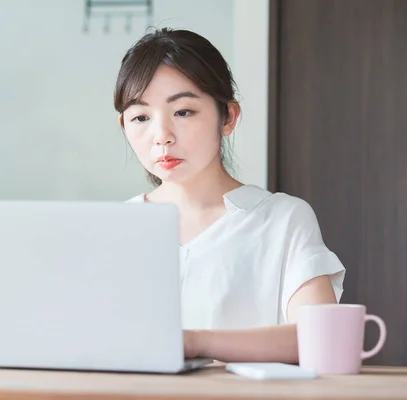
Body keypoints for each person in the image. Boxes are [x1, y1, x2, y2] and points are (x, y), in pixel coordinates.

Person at [114, 28, 346, 363]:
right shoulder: (115, 227)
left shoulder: (283, 219)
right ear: (124, 126)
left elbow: (322, 339)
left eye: (183, 112)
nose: (161, 136)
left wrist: (194, 343)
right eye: (141, 117)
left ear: (228, 117)